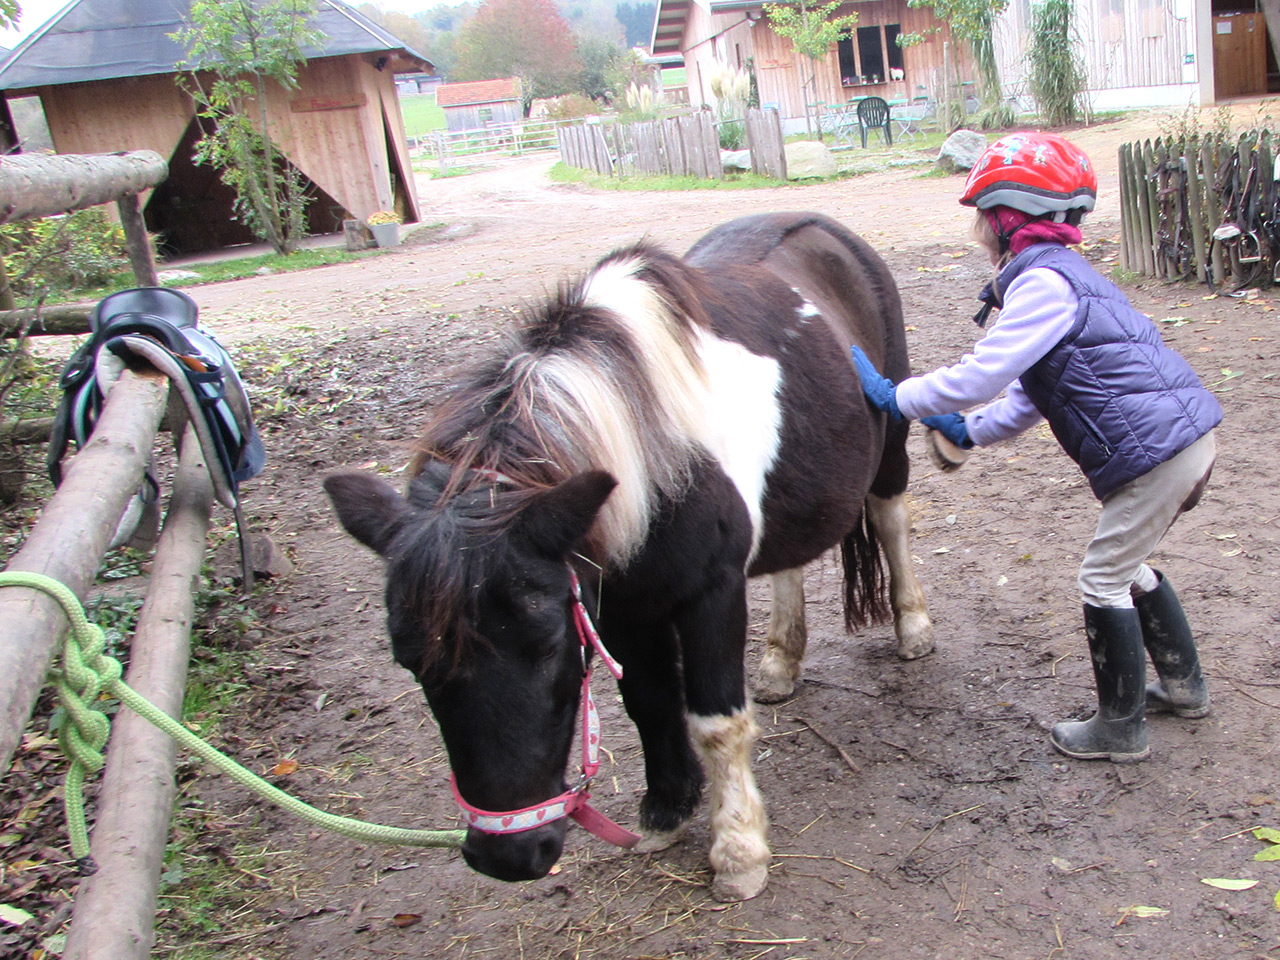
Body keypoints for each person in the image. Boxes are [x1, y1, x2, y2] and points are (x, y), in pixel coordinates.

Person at [851, 132, 1222, 764]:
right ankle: (1184, 687)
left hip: (1155, 455)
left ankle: (1120, 729)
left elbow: (980, 375)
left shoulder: (1042, 285)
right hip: (1181, 440)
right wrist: (971, 431)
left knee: (1101, 577)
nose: (975, 228)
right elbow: (1029, 395)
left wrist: (897, 396)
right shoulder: (1063, 277)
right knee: (1126, 565)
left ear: (1007, 216)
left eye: (980, 215)